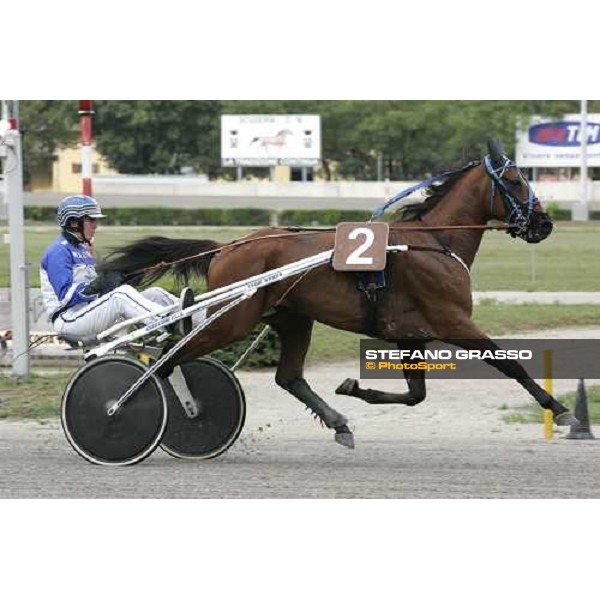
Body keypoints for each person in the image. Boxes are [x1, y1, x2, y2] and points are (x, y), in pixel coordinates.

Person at [40, 194, 196, 341]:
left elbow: (102, 291)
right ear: (74, 222)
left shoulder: (81, 250)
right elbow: (65, 296)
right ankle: (168, 322)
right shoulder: (58, 251)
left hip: (88, 312)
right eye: (91, 220)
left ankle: (199, 318)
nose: (96, 225)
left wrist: (136, 274)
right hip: (69, 319)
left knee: (155, 294)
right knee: (121, 295)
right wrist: (97, 285)